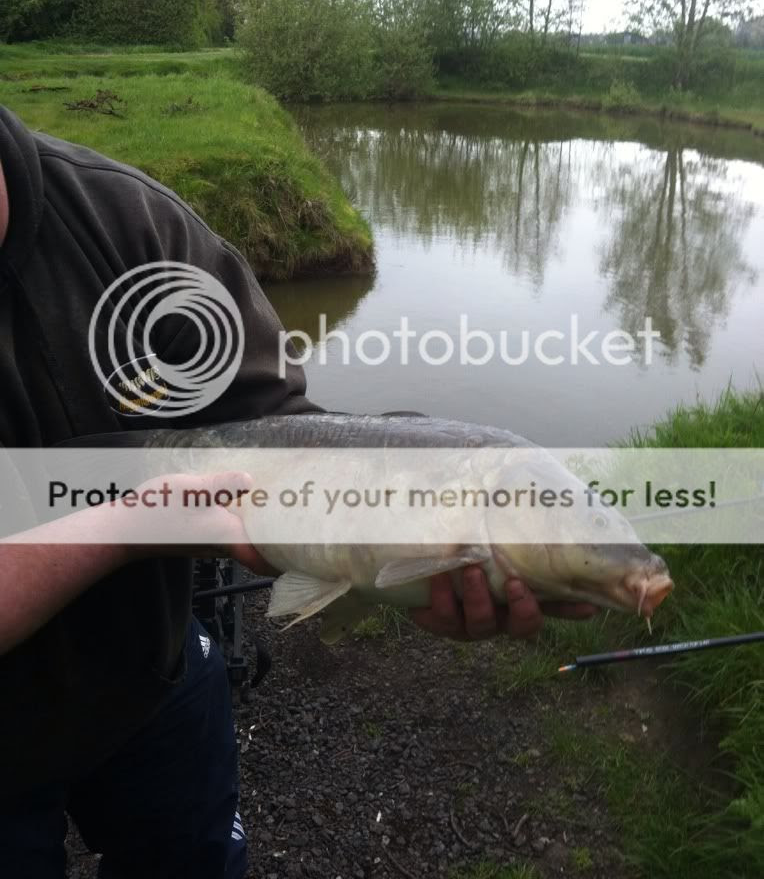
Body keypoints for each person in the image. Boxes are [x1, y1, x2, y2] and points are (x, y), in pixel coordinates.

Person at [0, 105, 596, 878]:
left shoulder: (130, 224)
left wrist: (393, 526)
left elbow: (272, 428)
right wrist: (129, 524)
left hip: (153, 663)